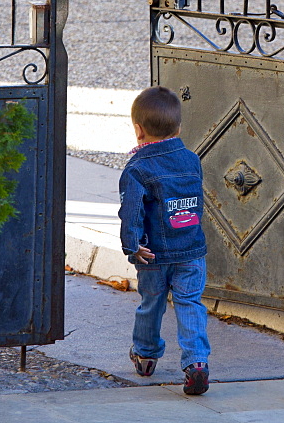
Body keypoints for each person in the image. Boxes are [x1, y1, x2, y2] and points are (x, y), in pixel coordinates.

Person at [118, 85, 210, 395]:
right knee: (190, 304)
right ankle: (197, 363)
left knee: (151, 304)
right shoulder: (192, 160)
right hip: (191, 251)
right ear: (179, 127)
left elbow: (130, 212)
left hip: (153, 255)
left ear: (138, 130)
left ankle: (145, 354)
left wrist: (132, 247)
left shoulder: (137, 168)